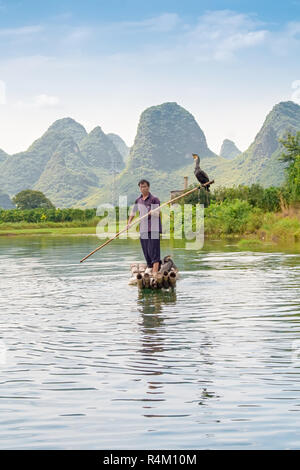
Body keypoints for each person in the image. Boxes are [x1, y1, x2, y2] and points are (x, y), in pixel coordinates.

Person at [126, 179, 162, 275]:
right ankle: (150, 267)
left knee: (154, 251)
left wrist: (152, 211)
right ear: (139, 188)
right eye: (141, 187)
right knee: (146, 250)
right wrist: (129, 223)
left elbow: (157, 213)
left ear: (148, 187)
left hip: (153, 229)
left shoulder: (154, 199)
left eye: (145, 186)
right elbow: (133, 212)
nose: (143, 188)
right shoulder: (138, 200)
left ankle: (154, 273)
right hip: (143, 229)